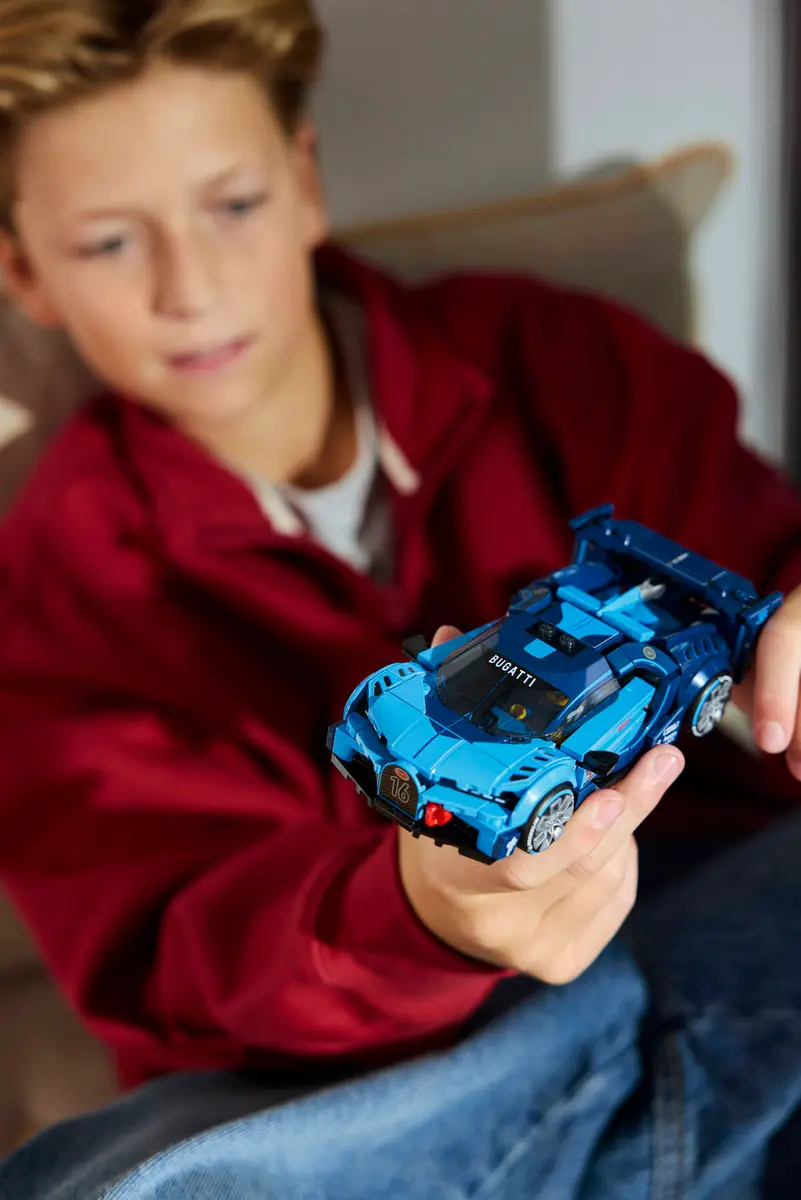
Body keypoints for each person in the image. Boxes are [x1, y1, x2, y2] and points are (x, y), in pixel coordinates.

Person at [0, 1, 800, 1195]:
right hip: (404, 1070)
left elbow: (761, 566)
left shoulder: (554, 356)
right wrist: (422, 911)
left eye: (233, 205)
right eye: (112, 242)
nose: (191, 287)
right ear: (24, 271)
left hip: (722, 925)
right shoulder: (54, 587)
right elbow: (182, 954)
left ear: (305, 183)